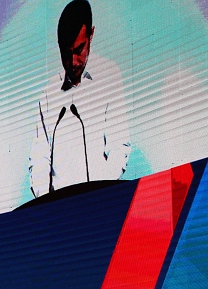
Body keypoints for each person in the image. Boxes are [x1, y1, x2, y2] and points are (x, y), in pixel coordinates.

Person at [29, 0, 131, 197]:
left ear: (91, 35)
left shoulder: (109, 74)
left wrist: (100, 193)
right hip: (58, 209)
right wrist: (47, 203)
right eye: (66, 54)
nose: (73, 62)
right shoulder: (49, 93)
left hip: (100, 201)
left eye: (79, 51)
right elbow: (39, 160)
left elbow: (119, 147)